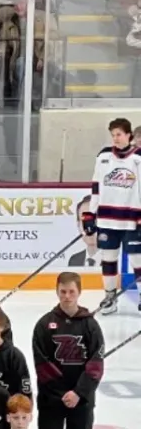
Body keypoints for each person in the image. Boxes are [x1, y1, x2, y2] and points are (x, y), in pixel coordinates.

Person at [32, 272, 104, 429]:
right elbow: (41, 363)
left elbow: (96, 364)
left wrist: (78, 392)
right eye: (62, 291)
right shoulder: (44, 324)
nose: (67, 296)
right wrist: (63, 392)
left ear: (79, 292)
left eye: (71, 291)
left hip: (81, 402)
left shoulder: (90, 325)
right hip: (52, 400)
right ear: (57, 291)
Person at [84, 117, 141, 314]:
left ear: (129, 135)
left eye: (119, 134)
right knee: (108, 258)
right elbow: (96, 185)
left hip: (132, 220)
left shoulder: (138, 157)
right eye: (113, 135)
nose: (115, 138)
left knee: (137, 259)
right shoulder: (104, 156)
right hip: (107, 219)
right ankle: (110, 297)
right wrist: (90, 213)